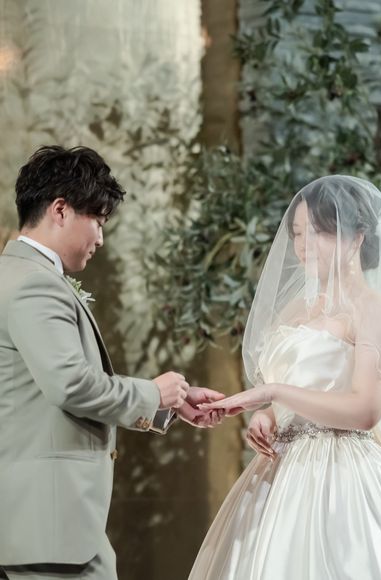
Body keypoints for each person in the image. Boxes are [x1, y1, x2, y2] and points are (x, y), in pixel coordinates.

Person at [191, 175, 381, 579]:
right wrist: (269, 415)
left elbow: (366, 411)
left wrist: (273, 392)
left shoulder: (373, 310)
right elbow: (293, 393)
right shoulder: (295, 310)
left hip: (343, 474)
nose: (304, 245)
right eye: (298, 233)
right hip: (279, 474)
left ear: (356, 238)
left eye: (318, 232)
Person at [0, 146, 224, 580]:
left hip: (38, 520)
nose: (101, 239)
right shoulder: (34, 285)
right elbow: (71, 385)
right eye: (98, 222)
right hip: (50, 524)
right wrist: (153, 392)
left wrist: (169, 402)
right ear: (60, 210)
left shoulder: (16, 275)